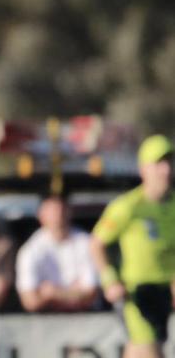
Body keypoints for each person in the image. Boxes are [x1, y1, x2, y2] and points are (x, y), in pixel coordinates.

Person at [90, 134, 175, 358]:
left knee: (139, 351)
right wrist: (109, 280)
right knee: (149, 350)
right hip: (137, 293)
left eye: (169, 162)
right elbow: (97, 243)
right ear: (143, 169)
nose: (165, 170)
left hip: (167, 291)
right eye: (158, 163)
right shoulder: (128, 206)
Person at [15, 194, 98, 312]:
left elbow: (91, 294)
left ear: (70, 213)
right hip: (46, 321)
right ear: (41, 215)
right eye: (52, 211)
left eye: (62, 210)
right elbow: (30, 302)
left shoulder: (87, 243)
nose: (58, 216)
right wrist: (74, 294)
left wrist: (51, 293)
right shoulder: (30, 249)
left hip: (88, 318)